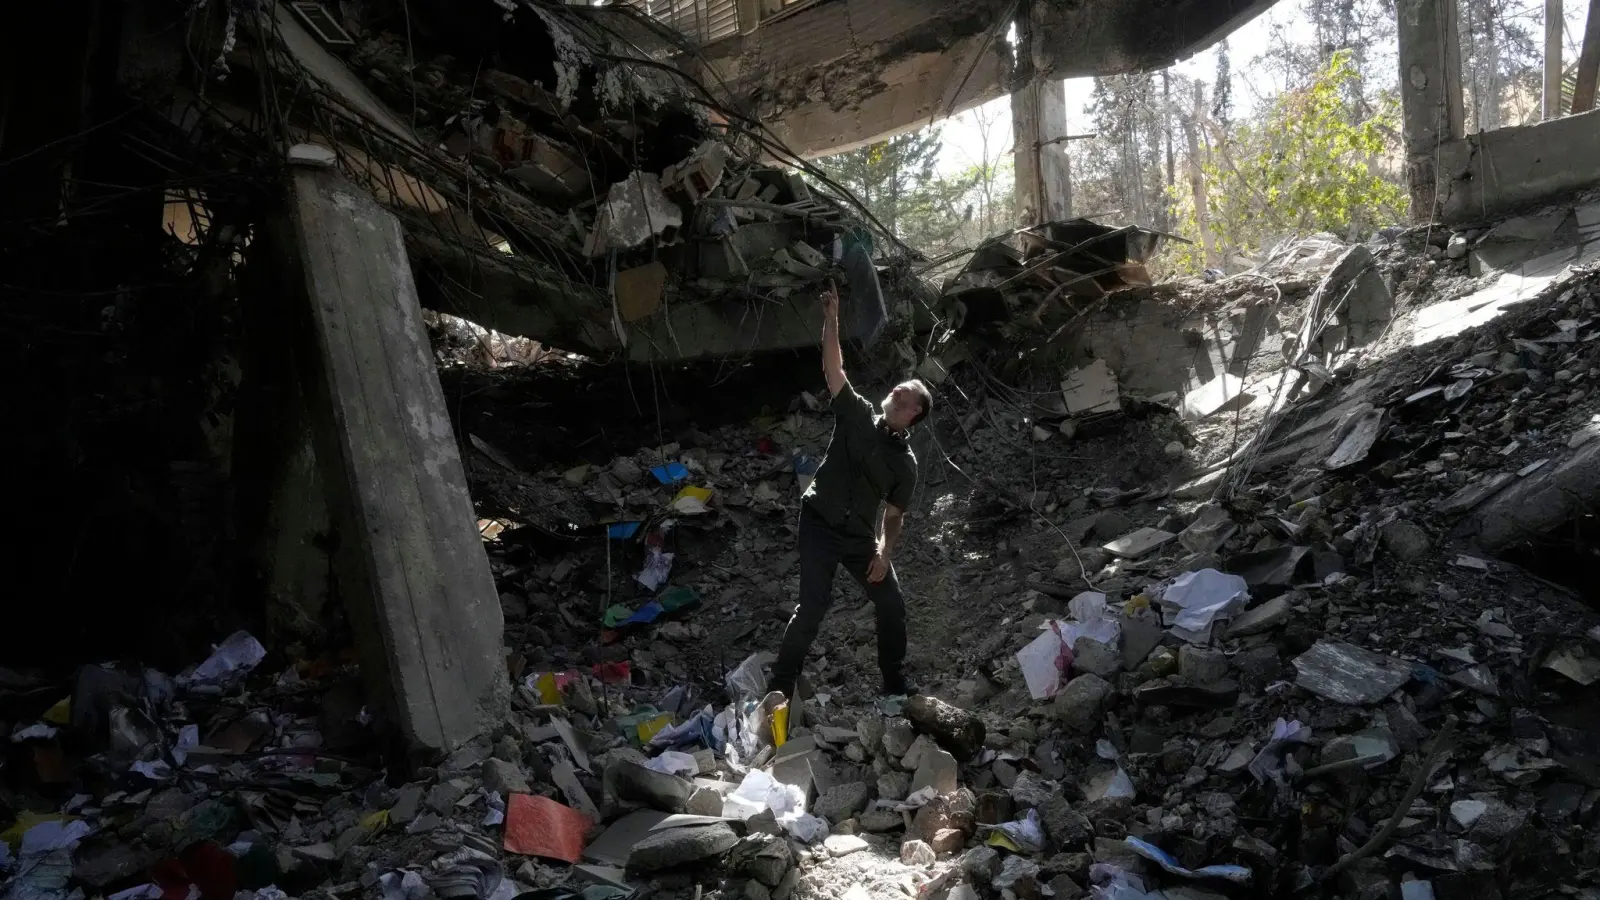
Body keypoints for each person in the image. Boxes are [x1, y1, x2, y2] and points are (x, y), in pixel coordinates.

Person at [770, 280, 933, 701]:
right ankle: (779, 690)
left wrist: (884, 552)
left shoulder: (905, 464)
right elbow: (834, 370)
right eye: (898, 387)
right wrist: (832, 320)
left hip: (860, 537)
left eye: (907, 392)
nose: (897, 389)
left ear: (914, 412)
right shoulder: (857, 414)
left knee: (892, 604)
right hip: (819, 523)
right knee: (812, 608)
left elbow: (894, 514)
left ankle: (894, 686)